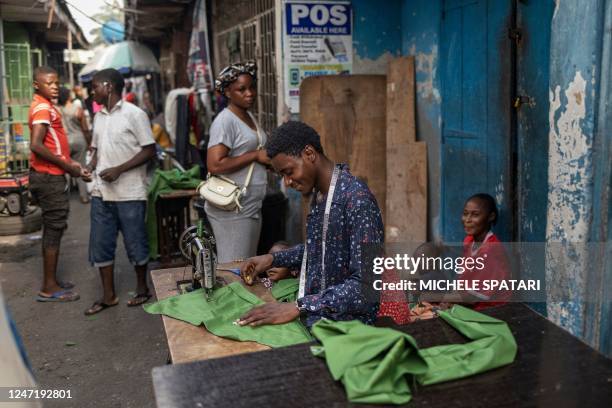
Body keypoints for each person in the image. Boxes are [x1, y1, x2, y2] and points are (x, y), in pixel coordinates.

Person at [239, 121, 384, 327]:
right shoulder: (320, 195)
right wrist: (273, 259)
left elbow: (366, 285)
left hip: (349, 327)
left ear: (309, 153)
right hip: (319, 313)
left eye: (288, 172)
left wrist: (300, 306)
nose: (287, 182)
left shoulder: (357, 200)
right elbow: (321, 249)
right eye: (282, 175)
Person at [84, 68, 156, 315]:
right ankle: (108, 296)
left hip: (130, 193)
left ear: (108, 86)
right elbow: (95, 149)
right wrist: (90, 166)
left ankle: (142, 289)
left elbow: (149, 151)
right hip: (101, 193)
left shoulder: (135, 114)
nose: (92, 91)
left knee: (135, 243)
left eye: (94, 86)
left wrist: (119, 169)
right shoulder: (99, 117)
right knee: (101, 244)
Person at [28, 66, 89, 302]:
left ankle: (51, 280)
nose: (53, 87)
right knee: (54, 228)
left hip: (49, 173)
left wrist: (71, 165)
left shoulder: (44, 105)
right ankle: (49, 287)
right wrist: (67, 167)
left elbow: (54, 147)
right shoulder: (43, 107)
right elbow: (37, 145)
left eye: (55, 83)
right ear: (37, 85)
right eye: (48, 83)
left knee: (54, 227)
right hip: (48, 177)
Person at [205, 61, 270, 263]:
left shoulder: (248, 115)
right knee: (233, 266)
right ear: (227, 92)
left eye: (251, 87)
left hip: (250, 205)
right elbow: (214, 164)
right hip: (232, 208)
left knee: (246, 263)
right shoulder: (225, 121)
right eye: (241, 89)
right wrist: (255, 156)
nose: (249, 93)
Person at [420, 193, 511, 309]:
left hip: (491, 311)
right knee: (429, 280)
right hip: (470, 302)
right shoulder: (469, 241)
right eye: (465, 214)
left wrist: (434, 297)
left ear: (491, 217)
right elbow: (464, 282)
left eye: (475, 215)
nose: (467, 220)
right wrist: (448, 301)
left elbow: (471, 299)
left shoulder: (490, 250)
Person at [57, 87, 91, 203]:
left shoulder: (57, 110)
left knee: (65, 168)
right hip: (79, 140)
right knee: (81, 167)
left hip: (64, 142)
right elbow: (85, 129)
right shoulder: (77, 109)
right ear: (68, 96)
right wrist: (89, 143)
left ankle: (64, 196)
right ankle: (84, 196)